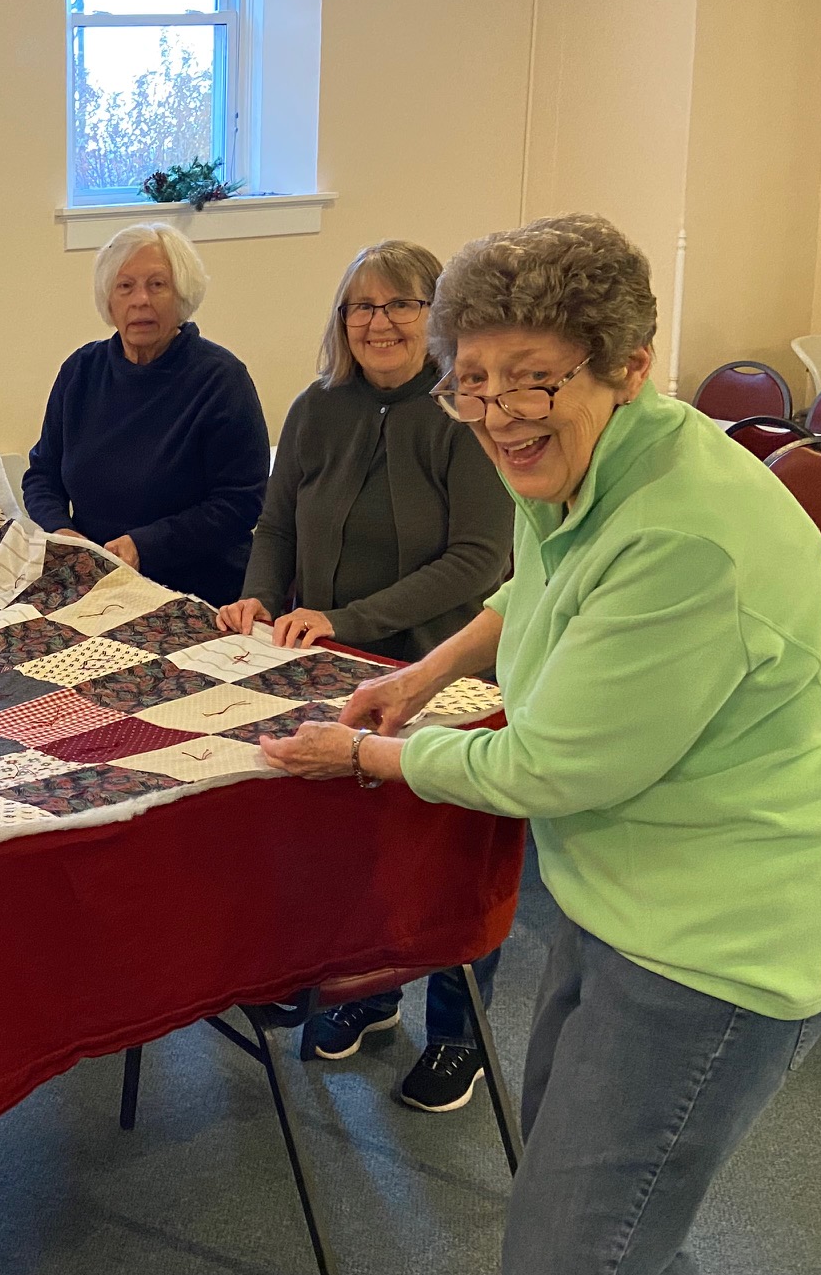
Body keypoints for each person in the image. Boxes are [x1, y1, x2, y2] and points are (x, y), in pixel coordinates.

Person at [260, 216, 821, 1275]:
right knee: (610, 1220)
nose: (499, 415)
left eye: (534, 381)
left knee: (574, 1248)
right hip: (628, 899)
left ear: (629, 365)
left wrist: (369, 758)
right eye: (475, 383)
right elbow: (533, 585)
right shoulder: (601, 463)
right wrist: (417, 678)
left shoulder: (682, 532)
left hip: (725, 939)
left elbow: (547, 765)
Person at [216, 241, 514, 1109]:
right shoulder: (317, 408)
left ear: (437, 315)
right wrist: (259, 595)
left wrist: (348, 618)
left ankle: (460, 1032)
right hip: (335, 668)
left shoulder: (465, 414)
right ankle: (374, 992)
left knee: (453, 854)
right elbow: (276, 524)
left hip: (445, 670)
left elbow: (479, 559)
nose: (379, 322)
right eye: (361, 306)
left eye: (401, 304)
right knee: (364, 846)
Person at [23, 222, 268, 603]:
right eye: (125, 286)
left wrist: (146, 545)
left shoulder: (221, 380)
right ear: (109, 300)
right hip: (95, 582)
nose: (140, 300)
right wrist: (62, 533)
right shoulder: (81, 371)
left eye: (157, 285)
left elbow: (240, 503)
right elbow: (42, 476)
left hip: (196, 588)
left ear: (182, 295)